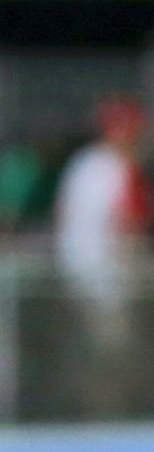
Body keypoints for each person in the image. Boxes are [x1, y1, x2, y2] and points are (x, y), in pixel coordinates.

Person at [52, 93, 153, 415]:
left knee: (90, 352)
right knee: (113, 356)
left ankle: (96, 409)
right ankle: (110, 413)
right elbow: (130, 227)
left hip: (72, 274)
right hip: (110, 282)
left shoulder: (82, 163)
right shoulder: (117, 168)